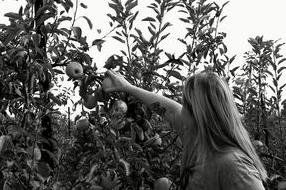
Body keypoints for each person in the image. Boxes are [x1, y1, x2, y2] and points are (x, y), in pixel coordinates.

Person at [104, 70, 267, 190]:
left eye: (185, 105)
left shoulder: (235, 168)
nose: (180, 111)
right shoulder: (197, 140)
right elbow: (169, 109)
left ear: (198, 114)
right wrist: (129, 88)